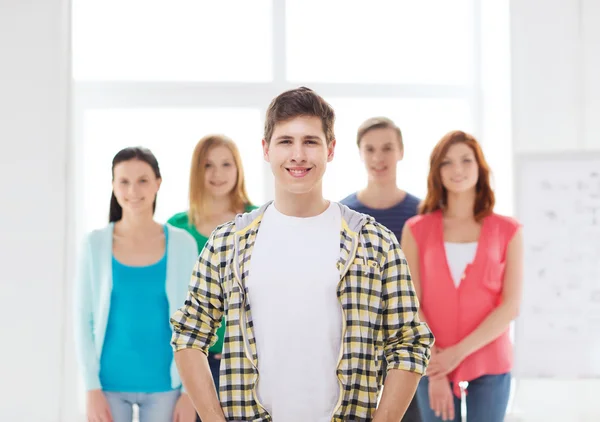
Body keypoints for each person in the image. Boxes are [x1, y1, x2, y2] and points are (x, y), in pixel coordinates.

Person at [170, 87, 434, 422]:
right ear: (266, 150)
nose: (298, 155)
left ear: (331, 149)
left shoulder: (374, 242)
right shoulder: (227, 243)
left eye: (310, 141)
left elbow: (408, 342)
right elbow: (189, 335)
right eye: (285, 142)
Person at [401, 131, 523, 422]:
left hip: (490, 360)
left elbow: (510, 306)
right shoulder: (416, 229)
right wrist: (437, 367)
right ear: (436, 171)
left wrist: (456, 355)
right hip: (433, 359)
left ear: (480, 168)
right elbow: (411, 304)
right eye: (447, 163)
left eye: (466, 160)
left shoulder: (508, 230)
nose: (457, 169)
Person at [74, 147, 198, 422]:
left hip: (167, 386)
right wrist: (91, 388)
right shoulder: (94, 244)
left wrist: (189, 392)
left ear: (158, 183)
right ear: (113, 186)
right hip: (108, 386)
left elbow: (193, 321)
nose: (133, 190)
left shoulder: (182, 244)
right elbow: (83, 320)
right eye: (124, 181)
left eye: (143, 180)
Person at [167, 134, 258, 419]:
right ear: (197, 171)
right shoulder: (176, 229)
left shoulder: (260, 220)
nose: (218, 174)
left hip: (248, 364)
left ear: (238, 169)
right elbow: (171, 304)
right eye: (208, 165)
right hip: (193, 364)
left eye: (226, 164)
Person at [340, 116, 422, 422]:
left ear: (401, 151)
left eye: (387, 148)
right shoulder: (345, 215)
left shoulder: (422, 213)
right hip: (359, 346)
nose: (378, 157)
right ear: (360, 153)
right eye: (370, 149)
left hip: (408, 340)